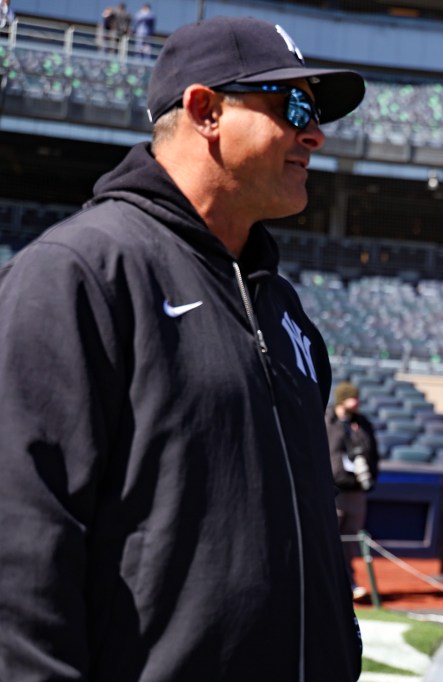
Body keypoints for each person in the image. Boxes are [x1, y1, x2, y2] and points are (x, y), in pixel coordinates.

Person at [0, 15, 366, 682]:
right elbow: (19, 547)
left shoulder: (283, 308)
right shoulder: (78, 273)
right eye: (292, 106)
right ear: (205, 111)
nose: (314, 133)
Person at [326, 381, 381, 600]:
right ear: (342, 399)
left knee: (350, 542)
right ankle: (325, 584)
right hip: (333, 491)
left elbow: (373, 454)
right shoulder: (326, 421)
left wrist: (371, 479)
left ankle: (348, 582)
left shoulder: (362, 424)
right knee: (328, 539)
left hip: (356, 491)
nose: (357, 402)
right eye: (352, 398)